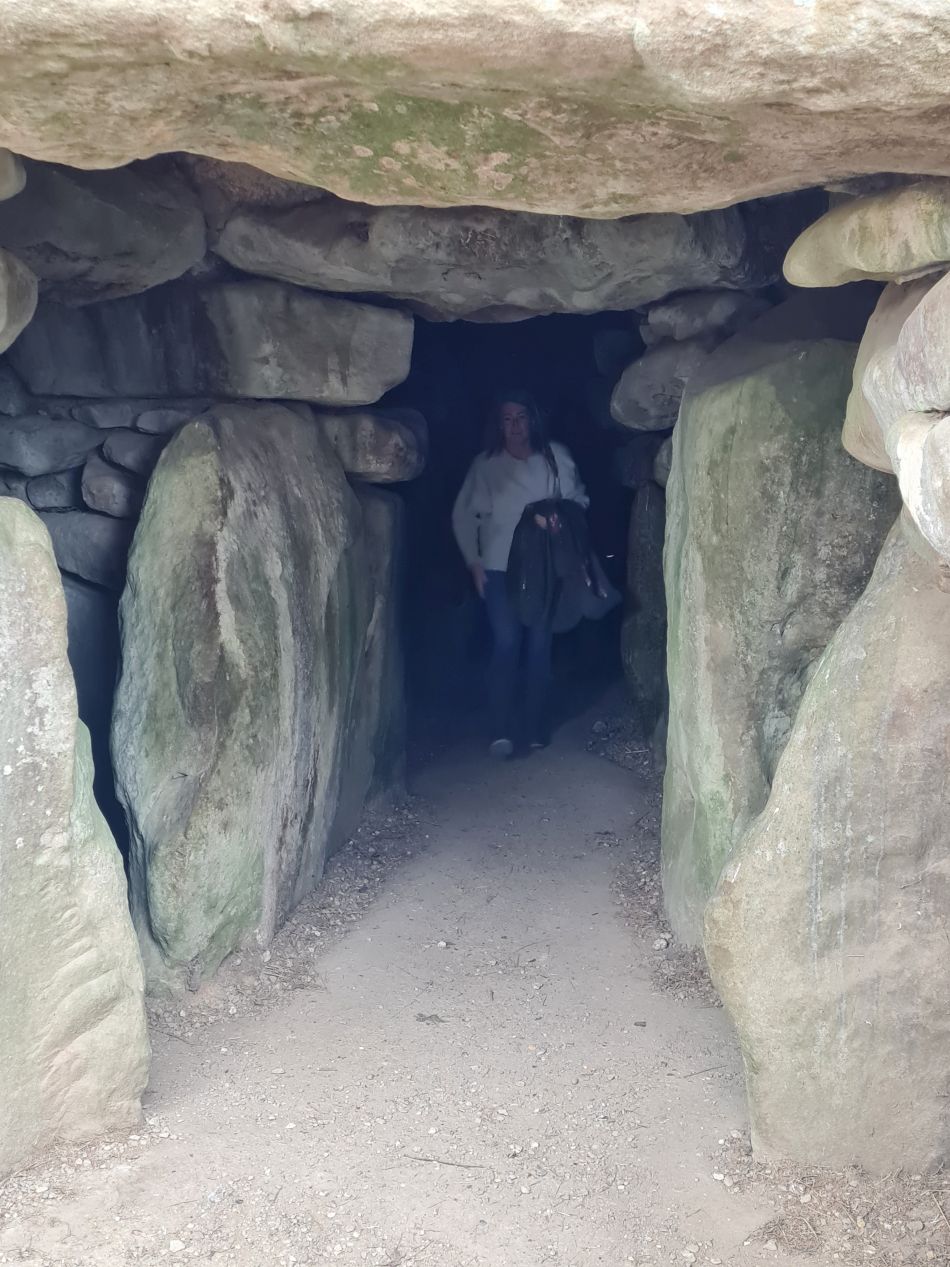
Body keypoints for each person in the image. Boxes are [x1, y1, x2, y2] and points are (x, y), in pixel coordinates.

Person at [452, 389, 589, 758]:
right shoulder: (487, 465)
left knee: (539, 647)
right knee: (507, 642)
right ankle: (500, 728)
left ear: (533, 420)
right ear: (499, 424)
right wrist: (474, 562)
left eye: (521, 417)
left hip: (543, 568)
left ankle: (533, 726)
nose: (514, 426)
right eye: (507, 419)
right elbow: (464, 515)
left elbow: (578, 501)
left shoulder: (554, 457)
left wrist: (559, 520)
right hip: (499, 568)